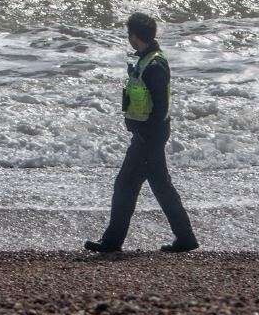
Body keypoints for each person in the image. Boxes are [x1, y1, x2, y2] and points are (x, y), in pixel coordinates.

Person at [85, 13, 198, 254]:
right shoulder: (147, 59)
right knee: (161, 186)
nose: (128, 38)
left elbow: (159, 107)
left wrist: (147, 136)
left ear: (135, 36)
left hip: (149, 137)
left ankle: (111, 242)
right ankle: (186, 237)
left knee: (124, 185)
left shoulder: (154, 64)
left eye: (129, 34)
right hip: (148, 135)